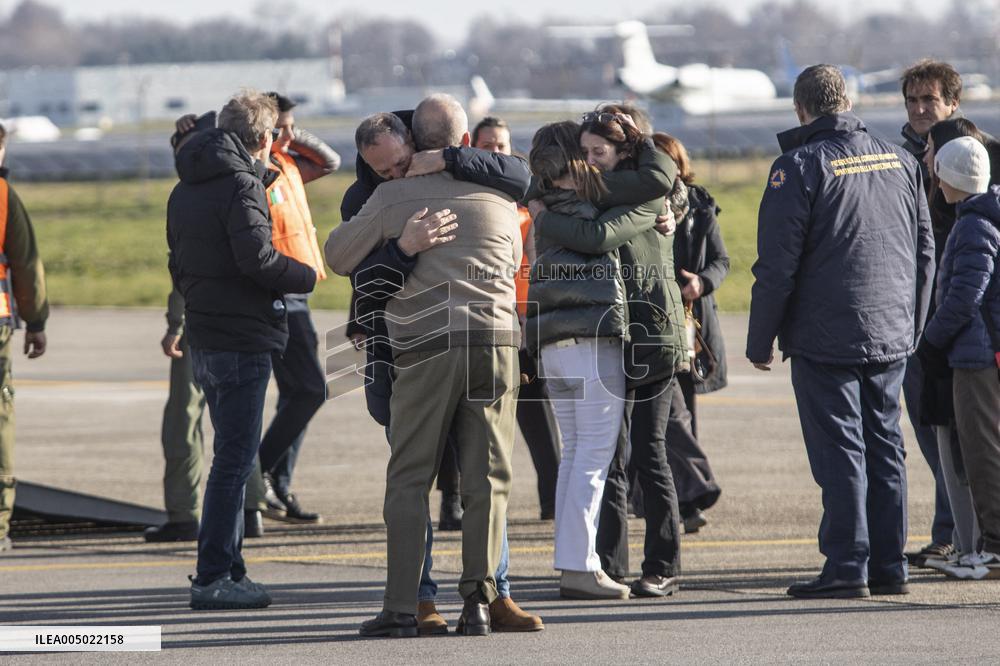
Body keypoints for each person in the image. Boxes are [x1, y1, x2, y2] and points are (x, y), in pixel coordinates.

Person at [326, 94, 523, 638]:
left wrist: (398, 244)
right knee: (488, 478)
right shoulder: (502, 197)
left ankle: (402, 606)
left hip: (424, 345)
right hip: (496, 341)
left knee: (410, 477)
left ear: (415, 140)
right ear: (465, 142)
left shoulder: (390, 197)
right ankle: (481, 603)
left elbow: (338, 257)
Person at [747, 65, 934, 599]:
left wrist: (760, 340)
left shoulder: (799, 166)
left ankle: (848, 566)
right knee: (885, 446)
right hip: (892, 330)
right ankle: (889, 566)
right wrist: (914, 322)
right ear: (846, 101)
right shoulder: (900, 159)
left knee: (841, 451)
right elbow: (926, 251)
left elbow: (776, 265)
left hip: (827, 335)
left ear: (800, 110)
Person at [167, 90, 317, 609]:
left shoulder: (187, 184)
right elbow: (257, 259)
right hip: (240, 336)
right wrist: (306, 275)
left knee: (231, 457)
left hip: (208, 334)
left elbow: (178, 265)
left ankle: (230, 568)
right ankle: (213, 576)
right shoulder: (238, 185)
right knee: (234, 461)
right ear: (266, 138)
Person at [528, 112, 685, 599]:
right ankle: (583, 565)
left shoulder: (551, 200)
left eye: (602, 151)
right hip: (594, 345)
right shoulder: (591, 206)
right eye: (586, 153)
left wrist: (538, 209)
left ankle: (584, 563)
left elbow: (662, 183)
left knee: (583, 456)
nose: (593, 162)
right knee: (594, 458)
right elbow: (605, 232)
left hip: (564, 344)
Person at [435, 115, 562, 523]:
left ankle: (553, 497)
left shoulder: (527, 202)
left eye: (501, 147)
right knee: (459, 416)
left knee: (538, 414)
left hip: (527, 323)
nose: (494, 152)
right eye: (486, 145)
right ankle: (452, 498)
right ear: (472, 146)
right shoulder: (460, 196)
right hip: (476, 319)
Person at [913, 120, 999, 578]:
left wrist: (931, 340)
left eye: (939, 169)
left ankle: (995, 548)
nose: (935, 177)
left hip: (976, 357)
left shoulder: (973, 225)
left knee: (982, 452)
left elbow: (965, 297)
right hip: (981, 351)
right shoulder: (981, 217)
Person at [898, 59, 964, 565]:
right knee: (929, 429)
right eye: (913, 100)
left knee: (961, 433)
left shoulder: (976, 159)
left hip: (962, 318)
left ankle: (957, 531)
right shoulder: (895, 161)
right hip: (911, 317)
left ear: (952, 104)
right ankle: (951, 529)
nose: (921, 109)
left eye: (931, 100)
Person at [656, 132, 728, 533]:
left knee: (683, 410)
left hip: (689, 322)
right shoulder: (636, 204)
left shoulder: (699, 205)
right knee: (666, 414)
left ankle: (688, 500)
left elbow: (722, 259)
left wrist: (700, 282)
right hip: (651, 321)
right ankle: (682, 493)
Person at [0, 123, 49, 554]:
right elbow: (26, 263)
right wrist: (35, 322)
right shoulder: (3, 197)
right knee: (1, 419)